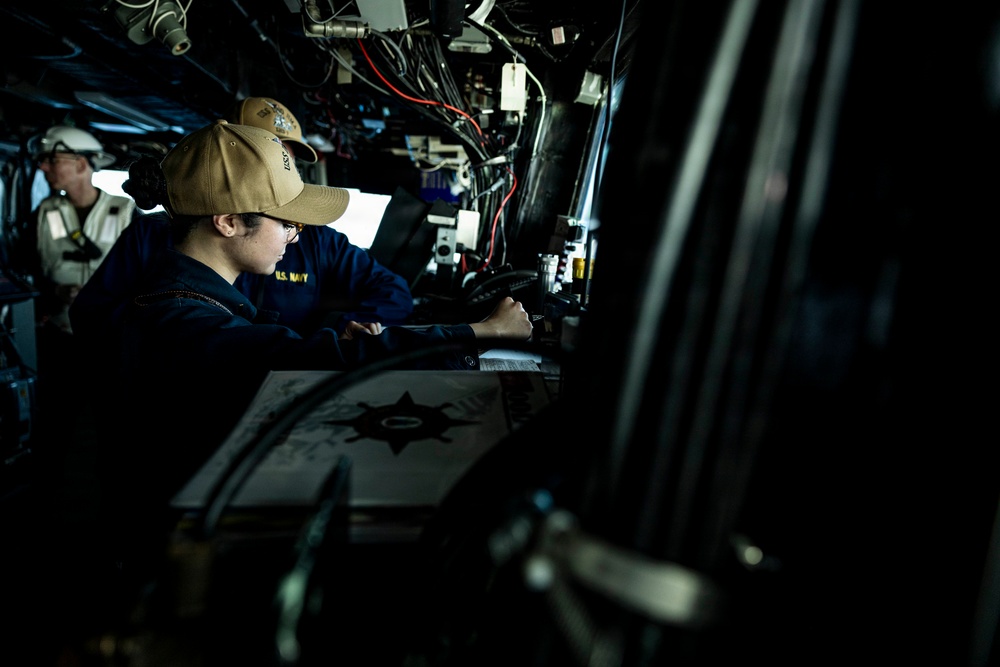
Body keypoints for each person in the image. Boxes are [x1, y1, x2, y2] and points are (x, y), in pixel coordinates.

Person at [98, 120, 532, 585]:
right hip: (174, 565)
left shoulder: (189, 299)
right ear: (226, 221)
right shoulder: (182, 324)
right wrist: (479, 332)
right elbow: (305, 359)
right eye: (286, 221)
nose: (296, 235)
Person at [70, 96, 411, 343]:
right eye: (269, 149)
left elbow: (393, 292)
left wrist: (341, 330)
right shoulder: (153, 237)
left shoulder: (319, 241)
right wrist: (165, 337)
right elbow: (92, 315)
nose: (284, 162)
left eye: (287, 154)